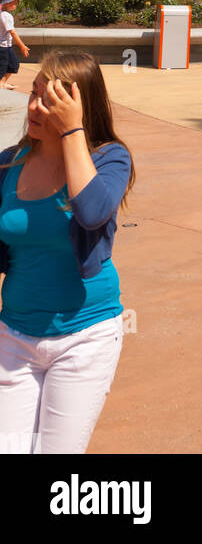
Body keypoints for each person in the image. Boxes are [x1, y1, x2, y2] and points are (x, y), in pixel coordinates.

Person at [0, 50, 135, 454]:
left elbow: (92, 212)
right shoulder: (9, 163)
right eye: (35, 93)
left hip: (84, 337)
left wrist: (72, 134)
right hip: (14, 335)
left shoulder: (109, 158)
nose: (36, 107)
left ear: (78, 107)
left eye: (52, 100)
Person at [0, 0, 30, 89]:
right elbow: (12, 32)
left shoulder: (5, 14)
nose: (16, 5)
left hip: (7, 45)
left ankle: (2, 83)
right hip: (3, 47)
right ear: (8, 3)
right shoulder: (5, 16)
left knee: (13, 64)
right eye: (15, 3)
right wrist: (22, 46)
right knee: (3, 67)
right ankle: (1, 85)